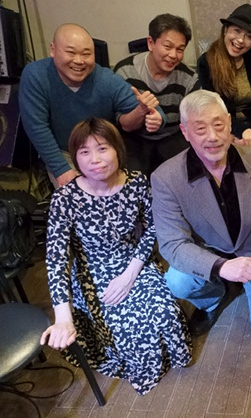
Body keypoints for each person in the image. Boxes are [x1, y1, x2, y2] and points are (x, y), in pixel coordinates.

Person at [40, 118, 191, 396]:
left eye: (102, 148)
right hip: (92, 272)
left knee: (165, 313)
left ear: (117, 149)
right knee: (129, 328)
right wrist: (62, 316)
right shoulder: (65, 199)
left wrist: (130, 274)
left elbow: (153, 227)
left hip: (134, 262)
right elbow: (56, 259)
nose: (95, 159)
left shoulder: (136, 181)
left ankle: (170, 356)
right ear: (75, 157)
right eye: (84, 152)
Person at [151, 90, 251, 338]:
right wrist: (220, 267)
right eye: (200, 129)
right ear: (185, 132)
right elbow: (172, 244)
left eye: (218, 125)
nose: (212, 137)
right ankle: (214, 297)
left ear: (229, 124)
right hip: (208, 252)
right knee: (177, 282)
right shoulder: (165, 178)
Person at [19, 23, 165, 187]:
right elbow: (37, 127)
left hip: (103, 149)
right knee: (75, 195)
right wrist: (61, 170)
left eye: (86, 54)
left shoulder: (106, 79)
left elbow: (150, 108)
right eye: (71, 52)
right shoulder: (36, 75)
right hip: (64, 152)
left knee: (119, 191)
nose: (79, 61)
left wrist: (156, 116)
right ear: (53, 50)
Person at [114, 13, 199, 174]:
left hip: (173, 136)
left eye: (180, 49)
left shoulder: (189, 78)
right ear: (151, 43)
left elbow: (194, 120)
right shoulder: (125, 71)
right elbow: (124, 124)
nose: (173, 55)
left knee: (187, 172)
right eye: (167, 46)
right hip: (135, 138)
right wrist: (141, 111)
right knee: (130, 178)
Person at [197, 4, 251, 148]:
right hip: (223, 126)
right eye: (237, 30)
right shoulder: (207, 62)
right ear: (225, 30)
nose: (240, 40)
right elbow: (215, 109)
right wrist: (242, 130)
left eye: (249, 36)